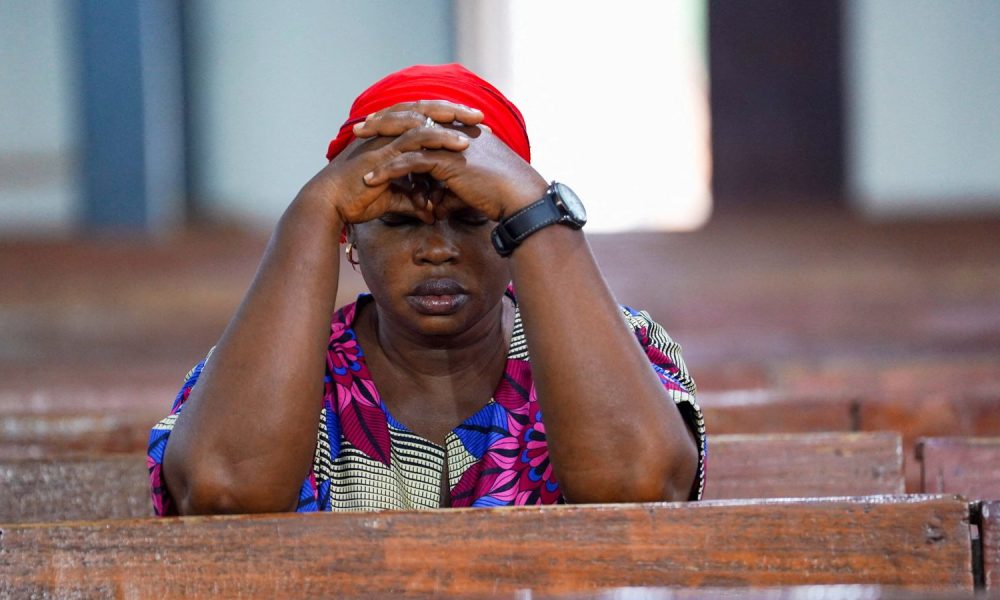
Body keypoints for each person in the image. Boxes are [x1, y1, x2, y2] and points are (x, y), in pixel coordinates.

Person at [147, 64, 705, 515]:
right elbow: (223, 490)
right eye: (398, 222)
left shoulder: (623, 342)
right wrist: (313, 209)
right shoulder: (269, 362)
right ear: (350, 240)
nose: (437, 249)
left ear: (514, 235)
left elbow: (642, 488)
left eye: (470, 220)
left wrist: (536, 206)